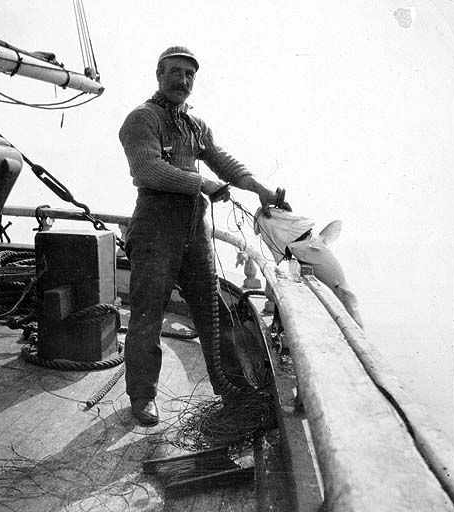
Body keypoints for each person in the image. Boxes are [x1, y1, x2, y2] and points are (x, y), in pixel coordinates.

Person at [119, 46, 288, 426]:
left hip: (193, 229)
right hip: (154, 229)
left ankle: (233, 388)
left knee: (214, 311)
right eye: (175, 72)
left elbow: (221, 159)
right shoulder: (141, 120)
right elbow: (150, 171)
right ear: (159, 75)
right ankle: (142, 396)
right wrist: (204, 184)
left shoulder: (194, 125)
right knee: (148, 315)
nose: (182, 80)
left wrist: (258, 188)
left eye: (189, 75)